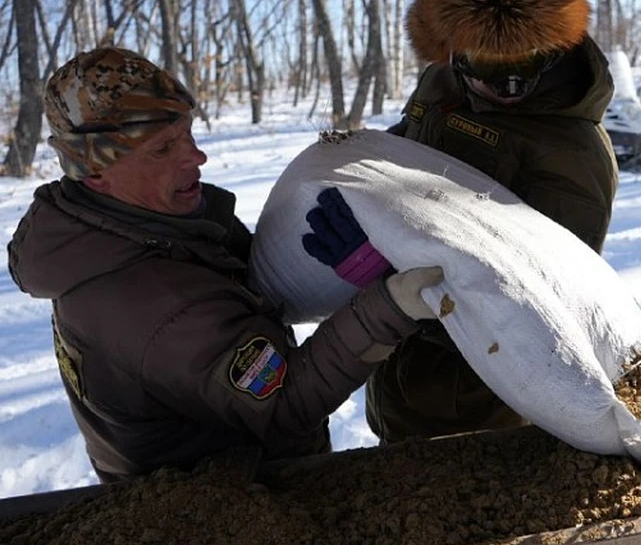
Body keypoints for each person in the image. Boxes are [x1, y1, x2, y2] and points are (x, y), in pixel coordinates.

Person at [6, 47, 442, 483]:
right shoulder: (151, 299)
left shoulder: (129, 229)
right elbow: (285, 404)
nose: (196, 157)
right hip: (225, 512)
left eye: (188, 133)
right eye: (163, 149)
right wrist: (389, 306)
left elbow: (238, 298)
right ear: (96, 170)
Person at [363, 0, 619, 444]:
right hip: (399, 374)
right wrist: (366, 174)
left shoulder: (571, 154)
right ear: (453, 51)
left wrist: (398, 296)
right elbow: (418, 138)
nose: (507, 90)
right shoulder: (443, 84)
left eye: (525, 68)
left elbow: (541, 302)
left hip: (482, 396)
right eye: (489, 67)